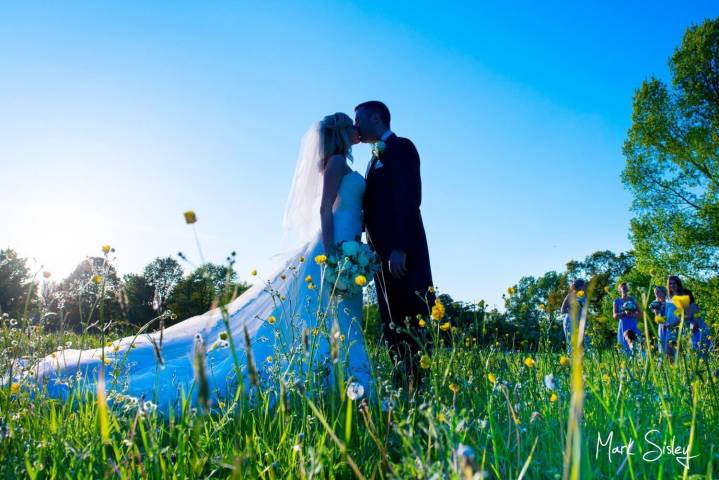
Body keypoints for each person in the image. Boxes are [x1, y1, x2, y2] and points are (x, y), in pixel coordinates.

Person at [33, 113, 375, 413]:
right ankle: (340, 387)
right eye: (351, 127)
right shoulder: (334, 164)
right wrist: (332, 252)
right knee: (320, 319)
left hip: (348, 249)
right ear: (341, 133)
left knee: (339, 320)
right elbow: (324, 209)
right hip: (334, 252)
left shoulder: (345, 163)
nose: (356, 131)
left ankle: (342, 385)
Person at [355, 101, 434, 383]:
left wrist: (400, 247)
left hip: (404, 252)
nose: (356, 127)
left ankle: (420, 381)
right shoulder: (371, 160)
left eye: (359, 121)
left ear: (376, 117)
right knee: (390, 318)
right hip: (380, 255)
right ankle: (402, 377)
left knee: (413, 311)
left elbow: (409, 198)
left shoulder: (402, 147)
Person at [667, 275, 711, 356]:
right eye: (670, 283)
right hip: (683, 326)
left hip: (694, 322)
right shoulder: (669, 298)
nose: (672, 285)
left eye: (674, 283)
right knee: (689, 351)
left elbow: (694, 310)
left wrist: (694, 323)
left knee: (700, 346)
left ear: (678, 284)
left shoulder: (686, 293)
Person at [560, 279, 589, 353]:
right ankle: (571, 362)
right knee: (572, 343)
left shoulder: (585, 296)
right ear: (579, 286)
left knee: (587, 341)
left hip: (581, 321)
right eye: (584, 285)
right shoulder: (571, 295)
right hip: (570, 321)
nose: (585, 287)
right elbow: (562, 310)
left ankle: (586, 361)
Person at [614, 282, 643, 355]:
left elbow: (641, 314)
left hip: (633, 325)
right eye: (623, 288)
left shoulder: (633, 300)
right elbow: (615, 316)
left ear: (628, 289)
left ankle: (639, 362)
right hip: (623, 326)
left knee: (636, 344)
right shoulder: (616, 301)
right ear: (619, 290)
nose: (625, 289)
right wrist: (624, 313)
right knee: (624, 346)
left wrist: (633, 314)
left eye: (626, 288)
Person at [650, 286, 677, 361]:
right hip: (662, 327)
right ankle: (663, 366)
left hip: (671, 326)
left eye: (658, 292)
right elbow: (657, 319)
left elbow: (675, 315)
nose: (656, 294)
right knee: (662, 348)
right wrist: (657, 310)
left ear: (664, 292)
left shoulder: (670, 302)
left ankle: (673, 363)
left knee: (670, 348)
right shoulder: (655, 303)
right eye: (655, 293)